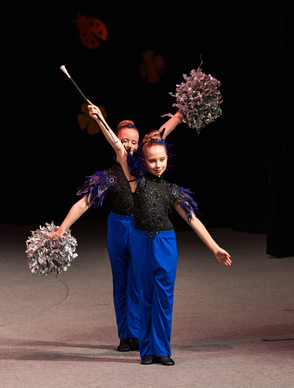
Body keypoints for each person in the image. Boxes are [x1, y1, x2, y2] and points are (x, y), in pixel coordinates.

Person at [90, 108, 232, 366]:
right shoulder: (135, 181)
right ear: (143, 162)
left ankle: (163, 350)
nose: (158, 165)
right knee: (145, 297)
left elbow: (192, 219)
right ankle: (147, 351)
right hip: (141, 242)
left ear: (167, 158)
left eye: (162, 160)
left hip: (166, 244)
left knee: (164, 298)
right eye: (153, 161)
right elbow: (118, 147)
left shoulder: (171, 190)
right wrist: (100, 118)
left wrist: (215, 247)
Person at [49, 105, 182, 352]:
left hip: (141, 229)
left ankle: (138, 333)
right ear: (116, 142)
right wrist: (61, 229)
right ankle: (125, 335)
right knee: (121, 281)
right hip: (118, 228)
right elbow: (84, 203)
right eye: (124, 141)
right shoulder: (110, 175)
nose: (129, 145)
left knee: (139, 281)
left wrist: (179, 115)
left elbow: (162, 133)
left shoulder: (142, 170)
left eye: (134, 142)